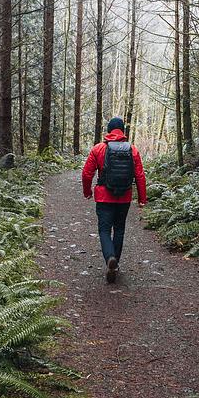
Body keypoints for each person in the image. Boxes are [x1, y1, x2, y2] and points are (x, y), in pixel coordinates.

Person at [82, 117, 147, 282]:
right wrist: (142, 199)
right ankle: (115, 263)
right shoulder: (132, 150)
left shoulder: (98, 148)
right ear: (123, 131)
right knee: (119, 230)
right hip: (124, 197)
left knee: (104, 230)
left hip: (104, 197)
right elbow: (140, 175)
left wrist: (87, 191)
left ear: (109, 131)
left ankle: (110, 258)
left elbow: (87, 173)